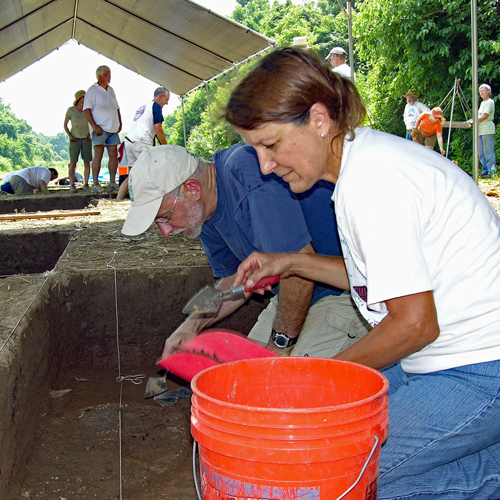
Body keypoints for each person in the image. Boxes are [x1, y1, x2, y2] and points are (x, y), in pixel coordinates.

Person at [224, 47, 500, 500]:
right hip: (441, 360)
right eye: (254, 149)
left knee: (336, 475)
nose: (264, 166)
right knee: (327, 452)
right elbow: (380, 281)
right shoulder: (364, 161)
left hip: (480, 369)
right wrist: (288, 262)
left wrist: (322, 379)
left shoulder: (372, 183)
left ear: (318, 119)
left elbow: (414, 323)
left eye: (270, 145)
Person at [121, 144, 370, 360]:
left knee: (278, 390)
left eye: (164, 217)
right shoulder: (203, 212)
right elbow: (232, 281)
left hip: (345, 292)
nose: (165, 231)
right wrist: (191, 326)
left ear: (192, 189)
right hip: (294, 294)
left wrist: (279, 345)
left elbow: (298, 272)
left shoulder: (248, 178)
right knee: (241, 376)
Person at [116, 87, 170, 200]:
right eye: (166, 99)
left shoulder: (143, 107)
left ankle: (120, 199)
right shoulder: (156, 106)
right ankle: (151, 199)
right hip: (141, 142)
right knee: (150, 171)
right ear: (160, 96)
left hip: (129, 141)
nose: (167, 103)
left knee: (132, 175)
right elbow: (158, 129)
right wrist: (166, 147)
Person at [83, 65, 122, 193]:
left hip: (112, 128)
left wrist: (120, 122)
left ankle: (112, 182)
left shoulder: (111, 90)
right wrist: (94, 126)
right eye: (106, 74)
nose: (109, 76)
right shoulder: (92, 90)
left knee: (113, 155)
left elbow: (117, 108)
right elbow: (87, 110)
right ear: (99, 76)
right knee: (98, 155)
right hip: (99, 127)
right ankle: (95, 183)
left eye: (110, 74)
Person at [64, 90, 92, 191]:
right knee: (73, 162)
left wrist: (90, 134)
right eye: (84, 97)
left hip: (86, 139)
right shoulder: (71, 110)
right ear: (79, 99)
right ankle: (72, 185)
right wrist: (70, 135)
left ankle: (86, 184)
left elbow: (93, 122)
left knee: (87, 162)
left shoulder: (88, 110)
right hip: (75, 139)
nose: (85, 99)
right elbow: (65, 125)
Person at [477, 83, 496, 178]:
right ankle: (484, 171)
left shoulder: (490, 102)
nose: (481, 92)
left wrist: (474, 121)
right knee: (481, 152)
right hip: (480, 130)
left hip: (487, 129)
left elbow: (485, 115)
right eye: (480, 91)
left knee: (488, 151)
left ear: (488, 91)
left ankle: (491, 171)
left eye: (483, 90)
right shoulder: (482, 103)